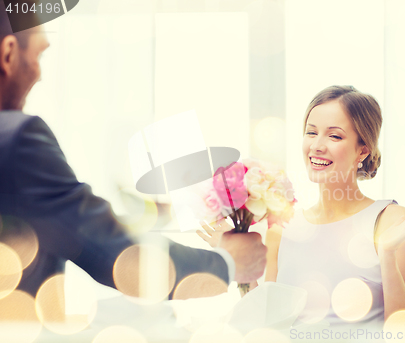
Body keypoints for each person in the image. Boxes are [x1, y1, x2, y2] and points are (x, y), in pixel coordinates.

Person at [0, 10, 267, 301]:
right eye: (38, 57)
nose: (39, 75)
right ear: (9, 53)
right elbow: (117, 255)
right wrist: (228, 264)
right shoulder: (18, 138)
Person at [199, 86, 405, 332]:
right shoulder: (282, 227)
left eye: (334, 136)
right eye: (311, 133)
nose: (316, 146)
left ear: (363, 150)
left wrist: (387, 253)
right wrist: (240, 264)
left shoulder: (389, 220)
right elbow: (266, 325)